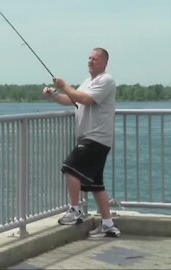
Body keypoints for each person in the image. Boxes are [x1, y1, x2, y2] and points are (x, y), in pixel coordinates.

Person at [42, 47, 121, 237]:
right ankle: (108, 225)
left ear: (104, 62)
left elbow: (85, 99)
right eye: (89, 58)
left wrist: (64, 85)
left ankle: (75, 209)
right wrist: (53, 94)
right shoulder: (87, 82)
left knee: (69, 167)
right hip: (89, 137)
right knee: (96, 184)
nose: (90, 61)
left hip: (97, 137)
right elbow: (71, 99)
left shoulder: (106, 80)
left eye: (94, 59)